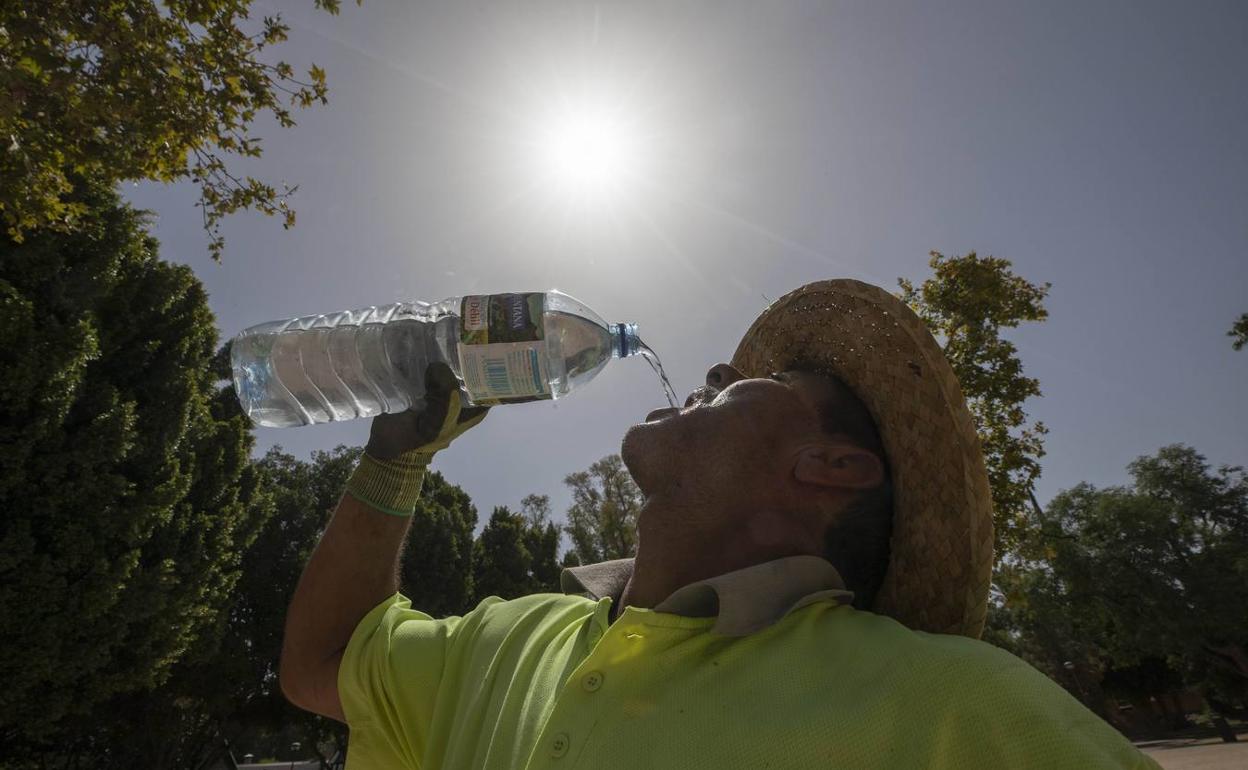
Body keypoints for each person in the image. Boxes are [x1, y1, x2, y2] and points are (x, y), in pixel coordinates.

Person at [280, 280, 1160, 769]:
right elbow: (319, 667)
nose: (712, 368)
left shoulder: (947, 706)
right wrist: (394, 460)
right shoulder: (512, 638)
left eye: (755, 382)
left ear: (831, 467)